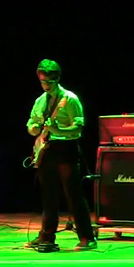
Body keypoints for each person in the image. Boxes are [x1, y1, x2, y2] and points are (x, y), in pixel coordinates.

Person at [25, 59, 96, 250]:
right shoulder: (40, 101)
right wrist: (34, 128)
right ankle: (47, 236)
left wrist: (59, 130)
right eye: (43, 81)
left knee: (73, 194)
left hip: (66, 148)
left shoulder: (69, 99)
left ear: (57, 79)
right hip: (47, 150)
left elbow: (78, 127)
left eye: (49, 81)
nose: (46, 85)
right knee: (49, 196)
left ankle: (87, 237)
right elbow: (31, 125)